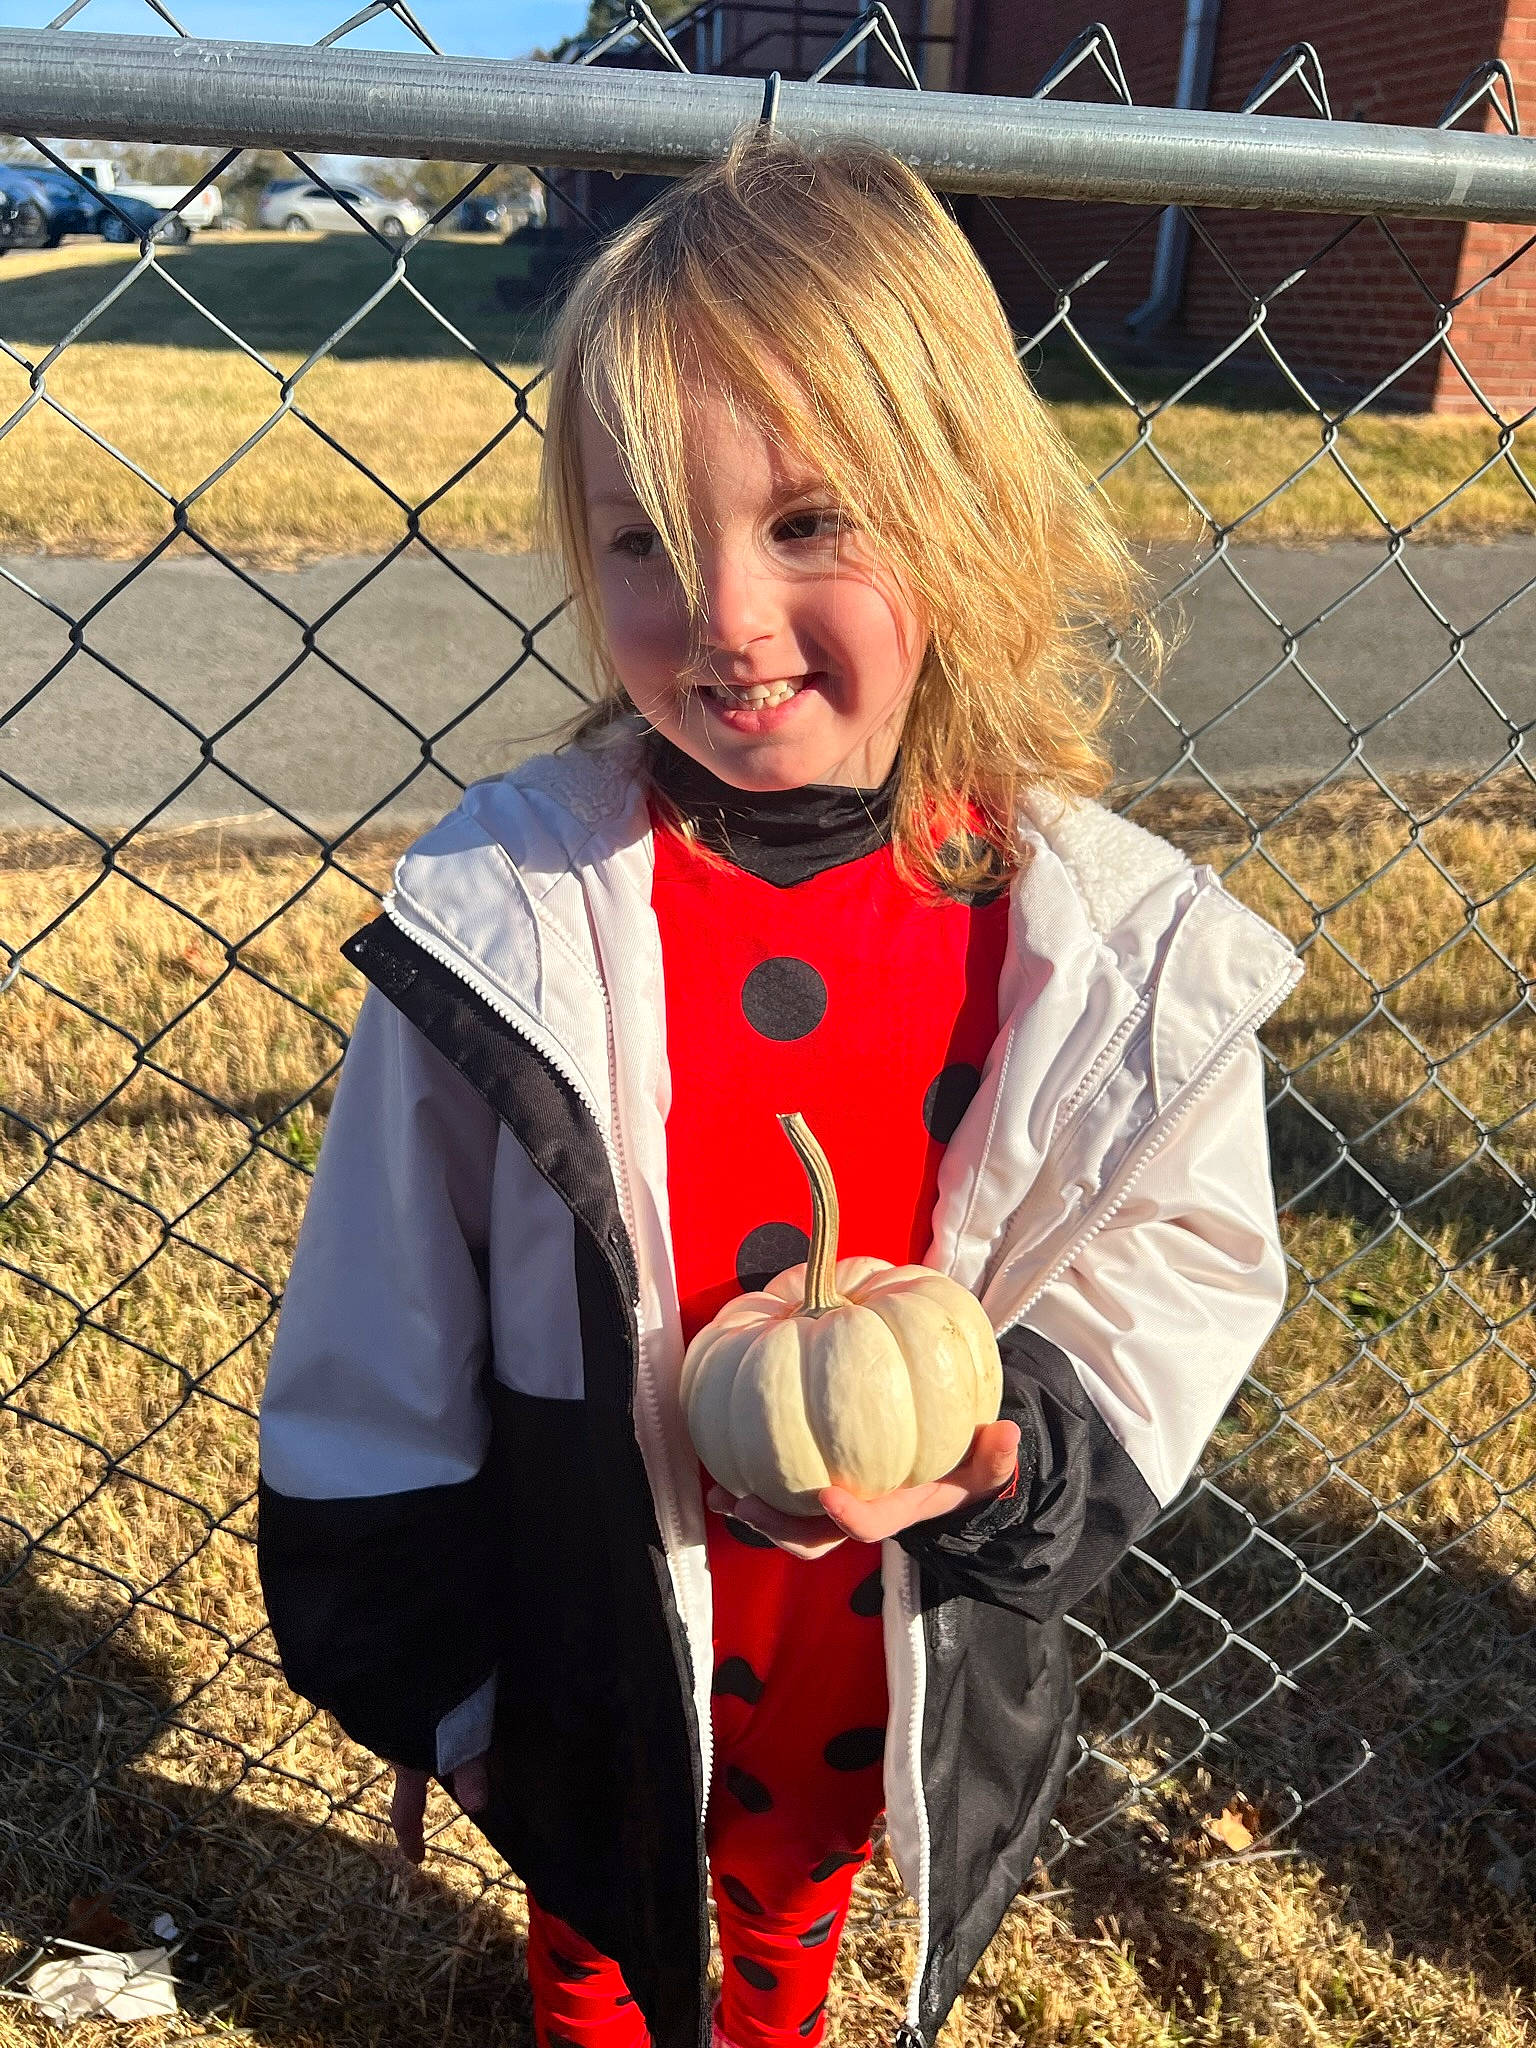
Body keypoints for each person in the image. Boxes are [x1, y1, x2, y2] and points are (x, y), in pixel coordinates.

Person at [256, 126, 1304, 2048]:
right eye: (647, 541)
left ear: (967, 513)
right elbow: (383, 1297)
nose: (725, 614)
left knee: (794, 1892)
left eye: (809, 522)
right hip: (593, 1609)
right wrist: (417, 1637)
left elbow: (1184, 1256)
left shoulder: (1089, 944)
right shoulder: (515, 913)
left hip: (866, 1629)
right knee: (599, 1915)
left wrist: (1025, 1446)